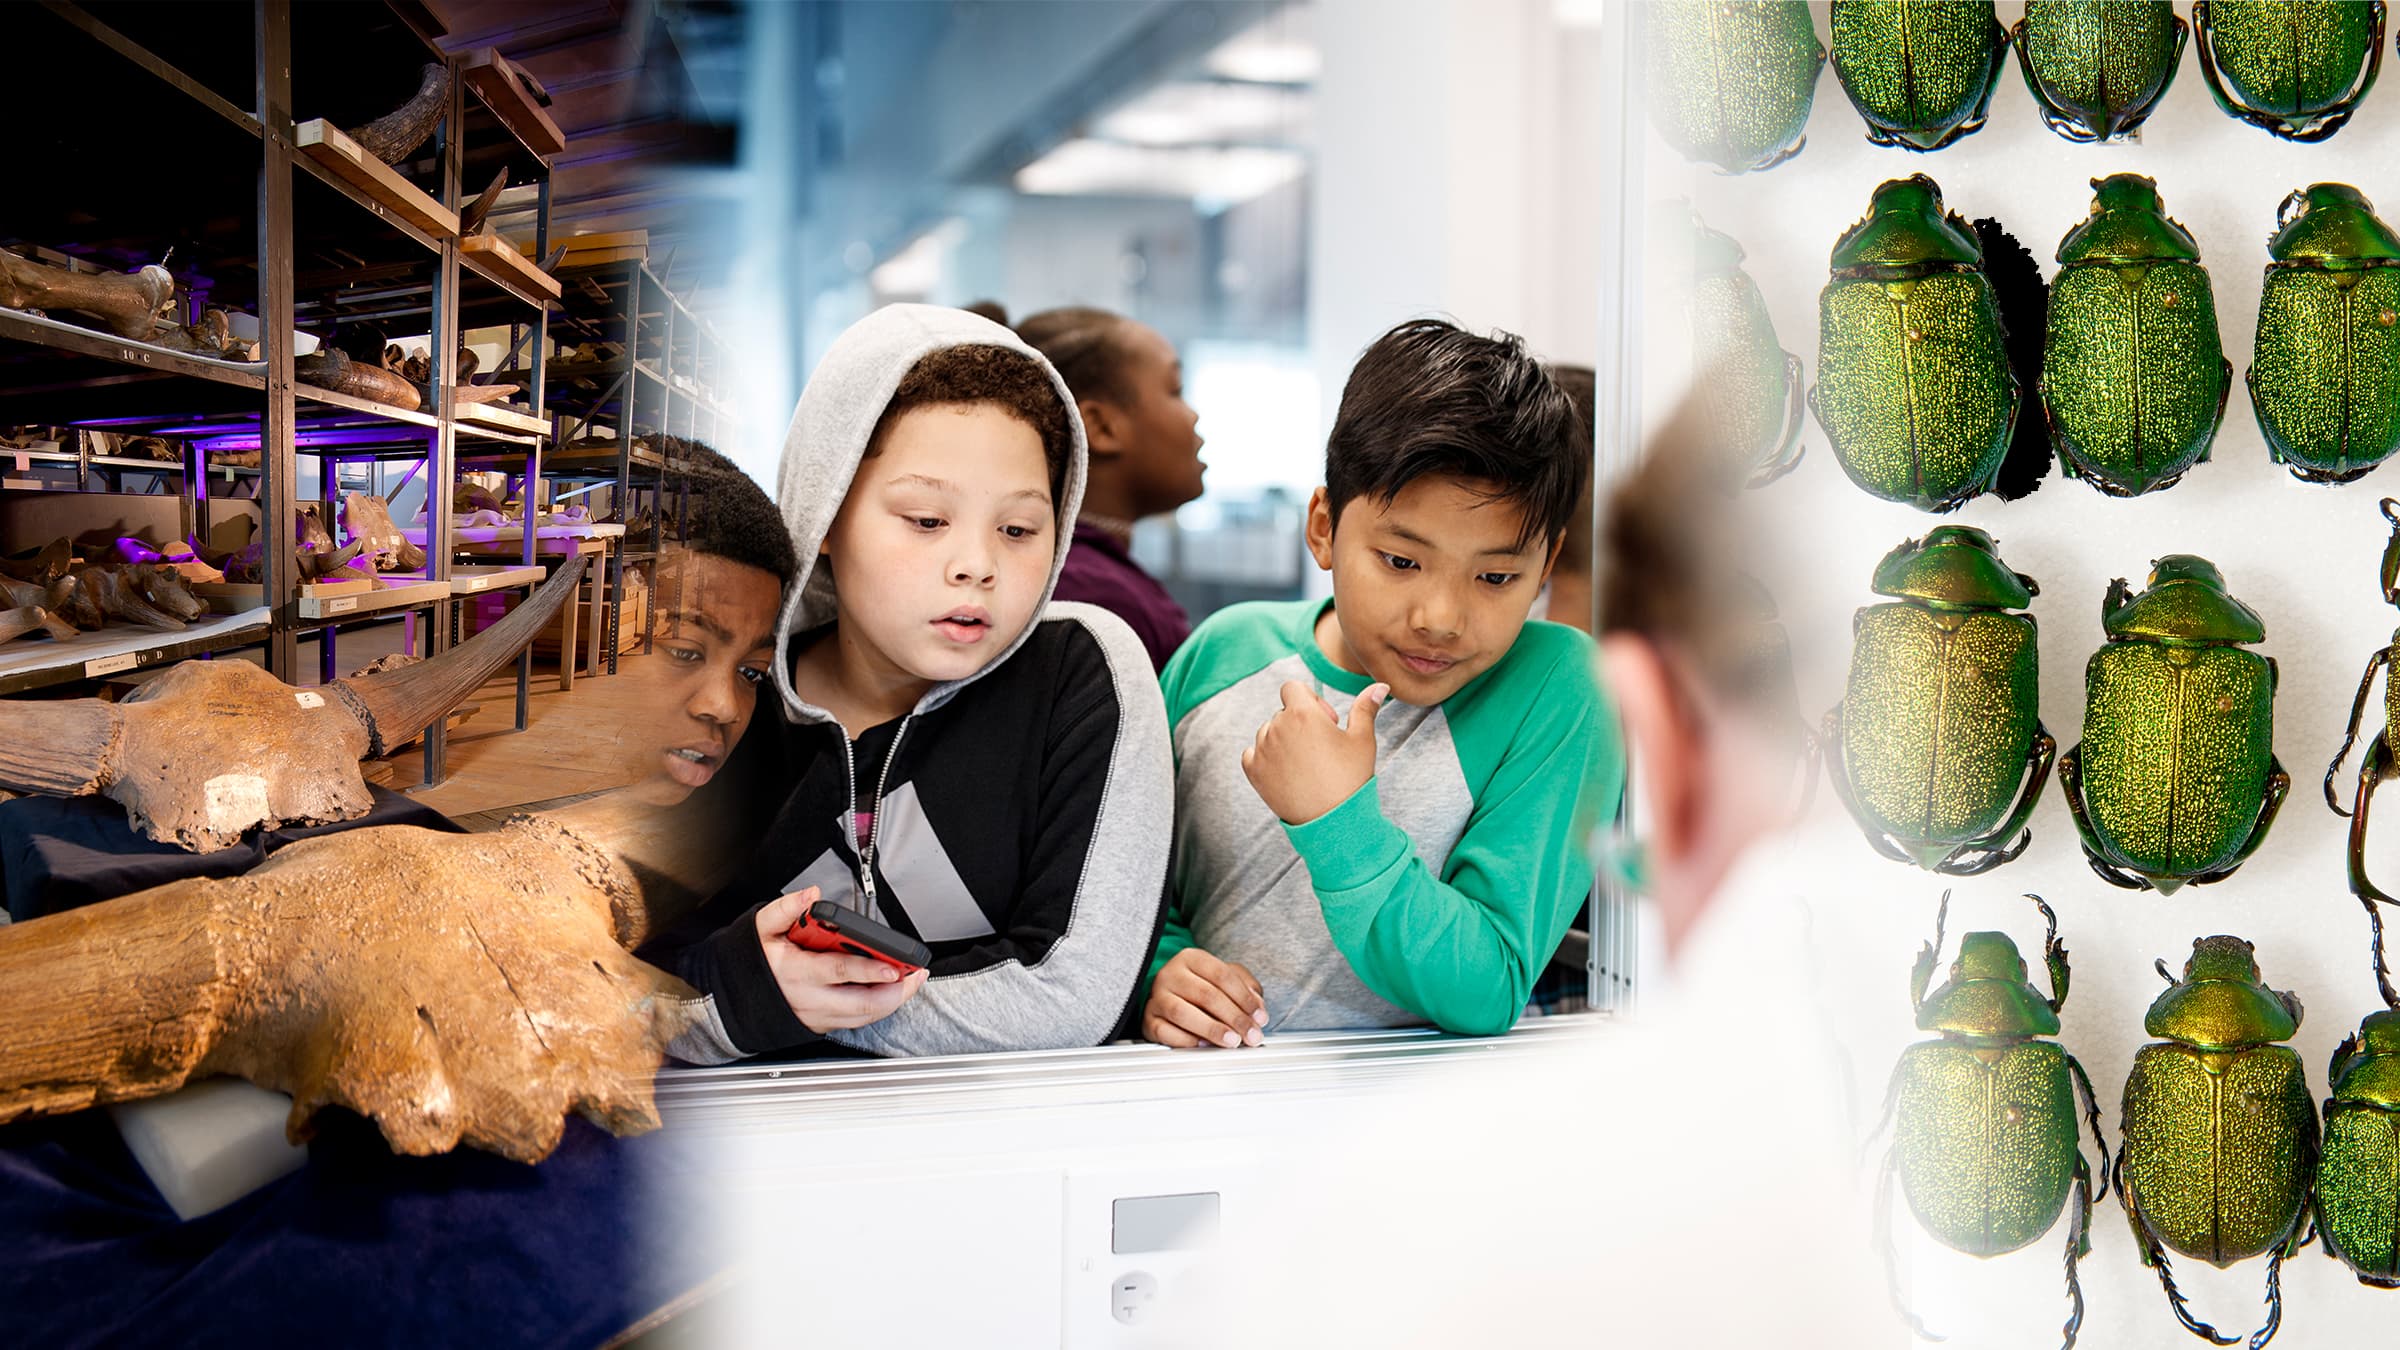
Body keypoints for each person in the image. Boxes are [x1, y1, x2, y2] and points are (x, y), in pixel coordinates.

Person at [657, 303, 1174, 1062]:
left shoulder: (1083, 672)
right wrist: (725, 999)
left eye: (1020, 529)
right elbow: (584, 983)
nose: (978, 564)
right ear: (827, 513)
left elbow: (1073, 996)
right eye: (927, 519)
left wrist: (768, 1008)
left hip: (1007, 1157)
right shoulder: (720, 700)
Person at [1141, 317, 1621, 1044]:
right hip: (1191, 1107)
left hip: (1417, 1133)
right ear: (1325, 527)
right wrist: (1162, 974)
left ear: (1546, 565)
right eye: (1401, 561)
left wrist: (1338, 820)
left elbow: (1488, 987)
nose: (1441, 618)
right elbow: (1136, 902)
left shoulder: (1561, 688)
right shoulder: (1224, 652)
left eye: (1496, 576)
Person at [1005, 304, 1207, 671]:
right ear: (1100, 427)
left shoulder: (1082, 572)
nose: (1193, 415)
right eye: (1175, 390)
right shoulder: (1095, 600)